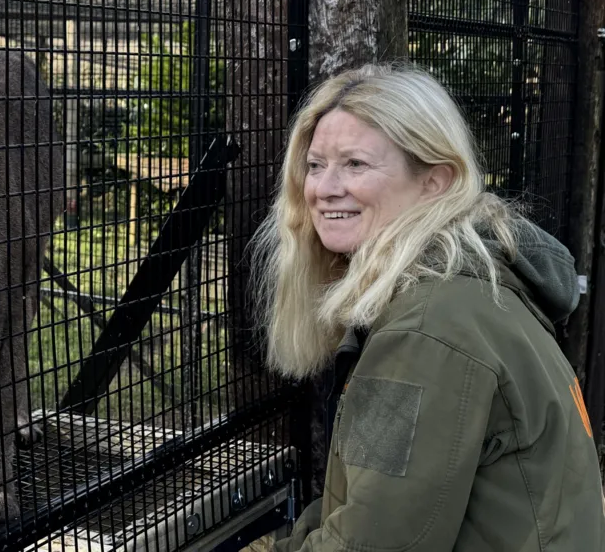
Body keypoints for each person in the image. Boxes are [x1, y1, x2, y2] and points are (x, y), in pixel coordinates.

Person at [247, 62, 605, 551]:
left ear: (435, 182)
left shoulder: (425, 328)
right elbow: (370, 502)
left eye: (355, 164)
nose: (324, 188)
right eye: (315, 165)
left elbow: (373, 544)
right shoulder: (462, 290)